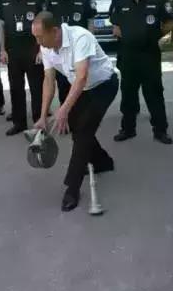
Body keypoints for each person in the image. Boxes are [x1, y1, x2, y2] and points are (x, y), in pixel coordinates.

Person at [32, 12, 119, 211]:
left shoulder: (80, 37)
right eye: (35, 37)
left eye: (40, 37)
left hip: (104, 86)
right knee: (78, 127)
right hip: (82, 89)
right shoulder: (46, 47)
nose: (38, 42)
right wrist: (43, 116)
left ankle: (72, 188)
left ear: (54, 31)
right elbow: (48, 81)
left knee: (83, 132)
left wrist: (63, 109)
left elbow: (81, 77)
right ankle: (103, 162)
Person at [110, 0, 173, 145]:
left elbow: (169, 22)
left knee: (154, 93)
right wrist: (129, 36)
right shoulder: (121, 0)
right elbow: (115, 26)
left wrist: (154, 36)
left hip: (149, 54)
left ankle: (160, 131)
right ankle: (128, 129)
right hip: (128, 55)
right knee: (128, 94)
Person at [0, 0, 46, 136]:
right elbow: (1, 25)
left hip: (33, 50)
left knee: (37, 89)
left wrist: (42, 50)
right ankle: (19, 123)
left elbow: (45, 26)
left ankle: (39, 123)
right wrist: (2, 50)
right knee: (16, 88)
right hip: (13, 51)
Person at [45, 0, 98, 103]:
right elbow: (47, 23)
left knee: (83, 83)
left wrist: (92, 44)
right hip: (61, 47)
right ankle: (66, 113)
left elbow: (90, 21)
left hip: (80, 47)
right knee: (63, 85)